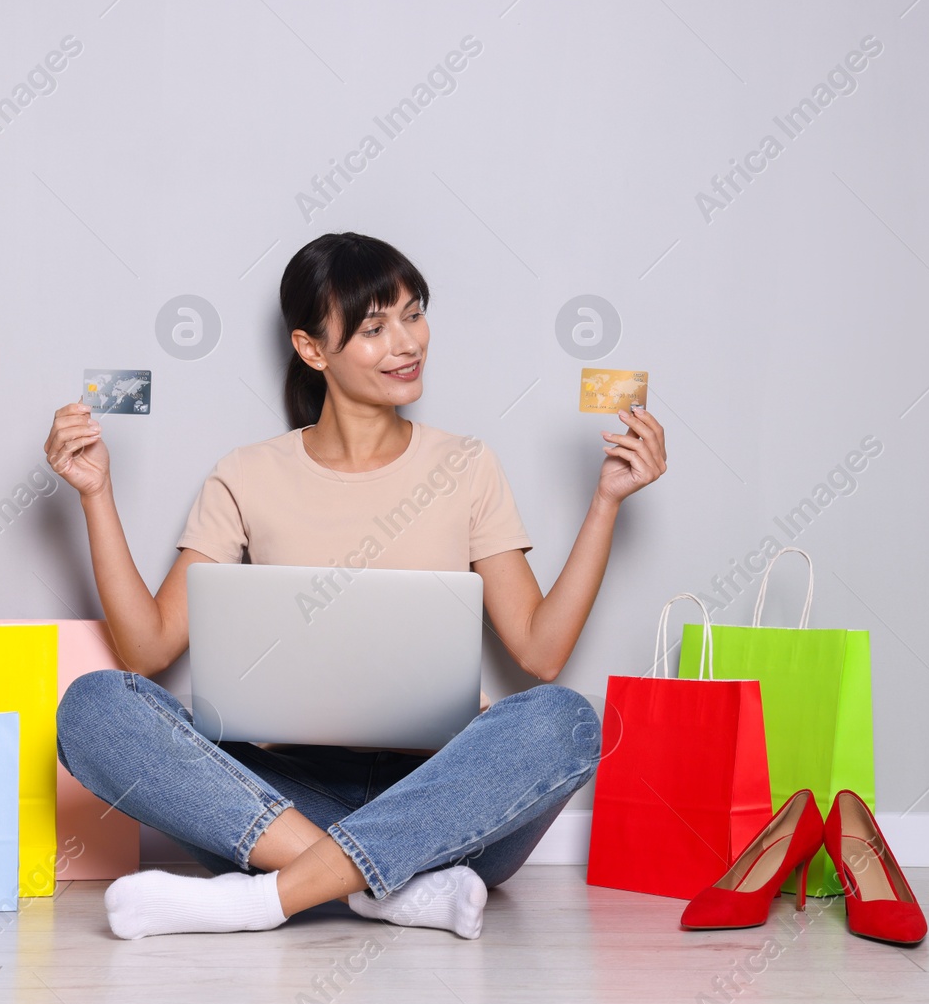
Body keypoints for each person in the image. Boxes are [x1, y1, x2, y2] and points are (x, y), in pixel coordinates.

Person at [45, 232, 667, 940]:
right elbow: (147, 646)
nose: (407, 342)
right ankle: (390, 886)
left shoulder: (467, 465)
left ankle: (264, 898)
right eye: (374, 327)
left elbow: (542, 652)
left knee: (567, 720)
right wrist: (95, 495)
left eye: (413, 313)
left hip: (443, 797)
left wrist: (607, 502)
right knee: (94, 706)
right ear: (313, 350)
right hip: (281, 797)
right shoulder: (246, 475)